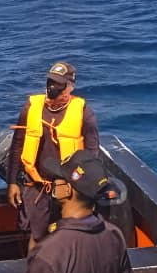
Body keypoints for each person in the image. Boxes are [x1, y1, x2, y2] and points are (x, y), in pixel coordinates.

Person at [6, 62, 99, 247]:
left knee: (69, 237)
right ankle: (35, 264)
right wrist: (12, 182)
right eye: (50, 82)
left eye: (58, 84)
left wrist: (83, 189)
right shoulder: (30, 108)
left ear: (70, 86)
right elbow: (17, 145)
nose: (52, 87)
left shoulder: (84, 112)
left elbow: (92, 155)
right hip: (38, 186)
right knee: (37, 236)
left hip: (70, 188)